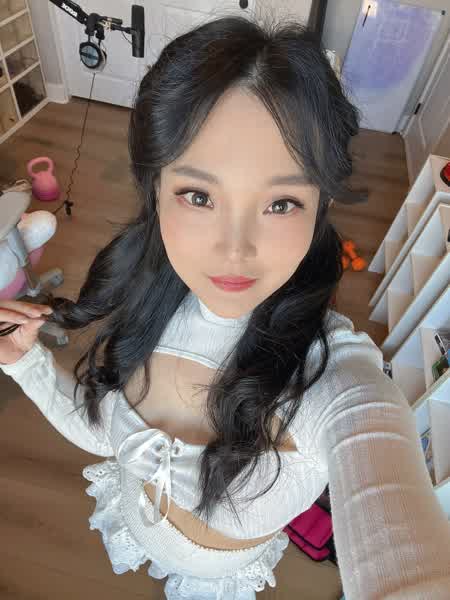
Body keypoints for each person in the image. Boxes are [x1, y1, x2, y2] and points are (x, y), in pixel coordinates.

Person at [1, 14, 450, 600]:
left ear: (321, 206)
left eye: (281, 203)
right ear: (155, 191)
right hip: (136, 524)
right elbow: (110, 436)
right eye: (198, 195)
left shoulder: (334, 378)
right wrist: (26, 363)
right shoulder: (146, 299)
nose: (235, 250)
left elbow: (382, 474)